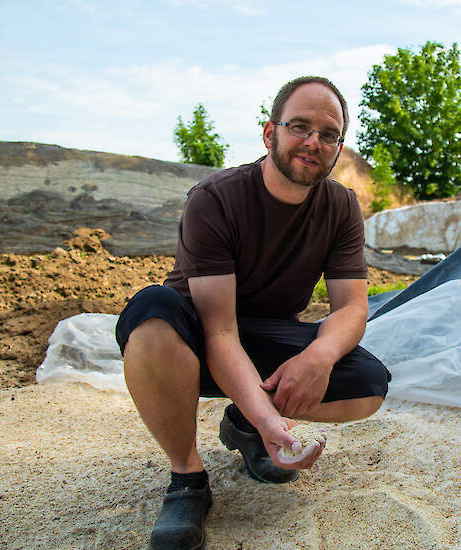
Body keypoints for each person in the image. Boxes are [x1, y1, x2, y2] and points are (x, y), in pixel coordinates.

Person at [115, 76, 391, 549]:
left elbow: (353, 307)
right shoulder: (216, 197)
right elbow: (220, 331)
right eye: (299, 127)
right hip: (196, 338)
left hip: (265, 336)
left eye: (328, 135)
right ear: (270, 134)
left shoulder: (341, 207)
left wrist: (319, 356)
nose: (313, 142)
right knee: (152, 311)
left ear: (338, 148)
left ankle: (241, 426)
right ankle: (187, 477)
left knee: (367, 384)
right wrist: (271, 419)